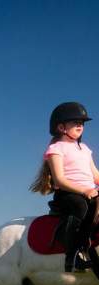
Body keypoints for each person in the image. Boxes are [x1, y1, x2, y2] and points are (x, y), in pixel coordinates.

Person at [31, 102, 99, 272]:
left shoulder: (84, 148)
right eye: (75, 122)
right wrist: (84, 190)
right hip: (69, 194)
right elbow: (60, 180)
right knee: (81, 206)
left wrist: (92, 188)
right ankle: (73, 256)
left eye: (82, 123)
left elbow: (95, 175)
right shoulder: (56, 149)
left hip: (91, 192)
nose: (80, 125)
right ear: (61, 127)